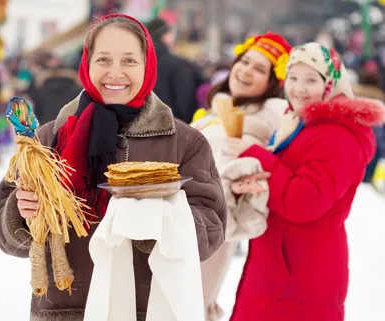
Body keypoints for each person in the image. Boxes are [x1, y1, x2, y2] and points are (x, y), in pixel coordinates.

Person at [0, 13, 226, 321]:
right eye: (103, 60)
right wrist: (21, 213)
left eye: (129, 61)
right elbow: (7, 238)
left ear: (148, 65)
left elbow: (211, 232)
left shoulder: (185, 142)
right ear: (87, 64)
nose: (115, 73)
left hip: (150, 312)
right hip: (67, 311)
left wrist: (155, 217)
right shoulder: (45, 140)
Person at [226, 42, 385, 321]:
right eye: (294, 78)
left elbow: (304, 201)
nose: (298, 88)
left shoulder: (336, 135)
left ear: (331, 84)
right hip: (281, 261)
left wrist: (257, 156)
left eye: (311, 80)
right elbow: (287, 180)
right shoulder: (299, 123)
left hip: (302, 270)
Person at [191, 32, 292, 321]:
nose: (246, 70)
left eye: (259, 69)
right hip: (188, 225)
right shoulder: (225, 111)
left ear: (273, 83)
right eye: (244, 61)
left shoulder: (259, 122)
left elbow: (239, 175)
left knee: (191, 308)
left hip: (209, 232)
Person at [145, 17, 202, 123]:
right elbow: (185, 102)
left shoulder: (138, 62)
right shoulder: (177, 64)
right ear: (164, 36)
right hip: (171, 128)